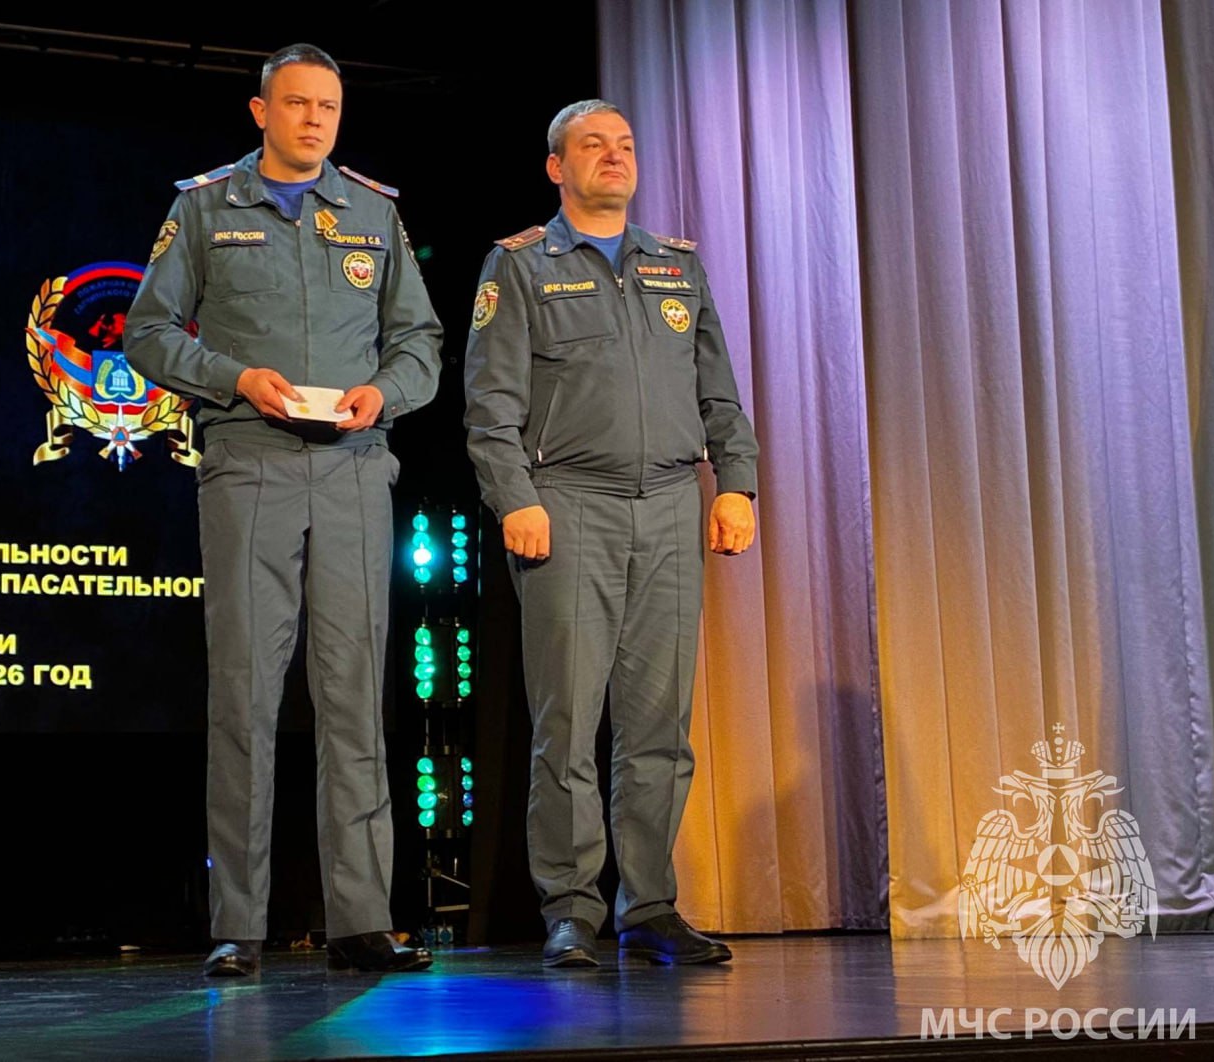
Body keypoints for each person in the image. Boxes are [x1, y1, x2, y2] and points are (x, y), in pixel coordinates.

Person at [125, 43, 442, 977]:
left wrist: (384, 393)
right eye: (297, 104)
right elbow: (148, 332)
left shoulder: (373, 213)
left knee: (353, 696)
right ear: (261, 111)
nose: (314, 120)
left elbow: (420, 342)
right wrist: (235, 378)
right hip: (250, 467)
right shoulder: (205, 207)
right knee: (246, 696)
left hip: (352, 470)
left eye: (328, 107)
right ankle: (240, 924)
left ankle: (361, 921)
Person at [463, 100, 759, 967]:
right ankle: (570, 907)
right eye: (593, 145)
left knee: (659, 725)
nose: (614, 156)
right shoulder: (520, 264)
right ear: (557, 167)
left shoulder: (675, 266)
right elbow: (490, 406)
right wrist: (514, 498)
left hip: (669, 502)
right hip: (568, 505)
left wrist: (736, 483)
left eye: (625, 144)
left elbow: (718, 390)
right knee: (567, 722)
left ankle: (650, 904)